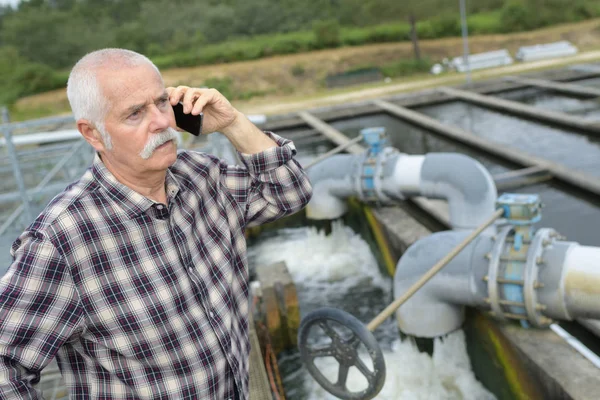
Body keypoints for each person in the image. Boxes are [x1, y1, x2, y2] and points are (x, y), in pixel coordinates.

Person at [0, 48, 312, 399]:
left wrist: (233, 123)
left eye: (161, 102)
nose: (162, 122)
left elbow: (289, 193)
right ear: (93, 133)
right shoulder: (63, 240)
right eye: (135, 114)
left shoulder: (201, 176)